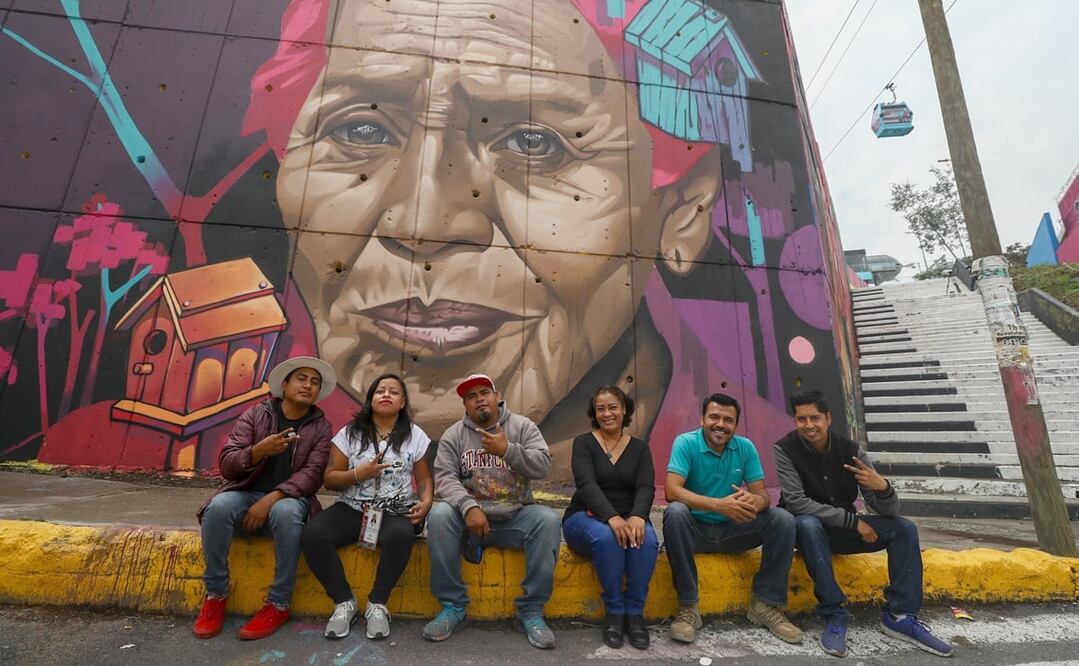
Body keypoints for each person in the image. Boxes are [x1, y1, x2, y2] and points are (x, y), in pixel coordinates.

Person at [775, 390, 953, 658]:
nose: (809, 425)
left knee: (904, 528)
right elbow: (797, 502)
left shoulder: (852, 451)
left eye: (815, 418)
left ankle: (900, 615)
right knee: (808, 523)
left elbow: (887, 510)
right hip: (807, 533)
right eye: (802, 419)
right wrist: (853, 523)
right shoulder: (785, 449)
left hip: (843, 531)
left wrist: (882, 487)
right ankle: (834, 615)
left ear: (828, 418)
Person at [193, 356, 336, 640]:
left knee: (285, 512)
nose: (308, 385)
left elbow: (312, 475)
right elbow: (228, 465)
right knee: (219, 507)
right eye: (301, 378)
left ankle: (279, 602)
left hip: (290, 499)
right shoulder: (256, 415)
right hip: (245, 493)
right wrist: (258, 451)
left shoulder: (320, 426)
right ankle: (215, 594)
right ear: (284, 384)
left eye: (315, 382)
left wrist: (270, 500)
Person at [422, 373, 562, 649]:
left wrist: (508, 450)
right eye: (471, 397)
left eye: (484, 393)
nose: (479, 400)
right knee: (438, 515)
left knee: (547, 521)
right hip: (469, 520)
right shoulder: (454, 435)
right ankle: (453, 606)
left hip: (515, 518)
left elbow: (543, 466)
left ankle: (531, 611)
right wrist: (469, 506)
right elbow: (445, 478)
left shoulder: (522, 427)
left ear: (497, 397)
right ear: (465, 406)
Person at [662, 393, 802, 646]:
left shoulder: (745, 447)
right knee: (675, 513)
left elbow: (763, 497)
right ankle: (688, 608)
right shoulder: (685, 443)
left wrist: (754, 501)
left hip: (733, 531)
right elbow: (672, 491)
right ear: (702, 418)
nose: (720, 424)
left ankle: (765, 604)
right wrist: (719, 505)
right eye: (714, 417)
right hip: (695, 532)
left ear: (735, 425)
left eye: (728, 420)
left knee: (782, 519)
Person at [301, 374, 433, 640]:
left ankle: (377, 604)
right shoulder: (349, 433)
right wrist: (358, 474)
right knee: (314, 534)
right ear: (371, 399)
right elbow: (330, 479)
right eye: (380, 390)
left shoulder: (415, 435)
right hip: (352, 508)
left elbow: (424, 478)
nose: (386, 395)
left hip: (395, 510)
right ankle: (344, 602)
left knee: (401, 535)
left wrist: (427, 501)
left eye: (393, 392)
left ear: (402, 401)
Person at [563, 386, 657, 650]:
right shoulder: (583, 443)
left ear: (624, 409)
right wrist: (612, 518)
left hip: (630, 517)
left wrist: (639, 516)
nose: (607, 413)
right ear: (594, 412)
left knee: (646, 541)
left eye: (612, 407)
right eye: (601, 408)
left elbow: (645, 486)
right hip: (584, 517)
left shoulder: (639, 448)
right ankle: (615, 612)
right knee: (608, 538)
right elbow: (586, 485)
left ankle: (634, 614)